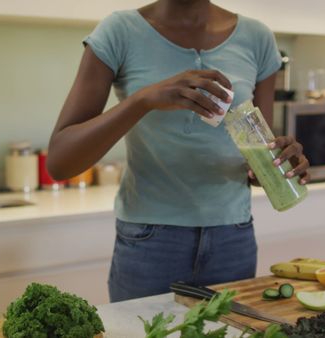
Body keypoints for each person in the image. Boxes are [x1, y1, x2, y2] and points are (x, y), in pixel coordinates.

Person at [47, 0, 310, 302]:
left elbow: (256, 159)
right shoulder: (119, 32)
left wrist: (279, 163)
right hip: (149, 241)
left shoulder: (258, 38)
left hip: (232, 239)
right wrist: (143, 100)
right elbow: (60, 162)